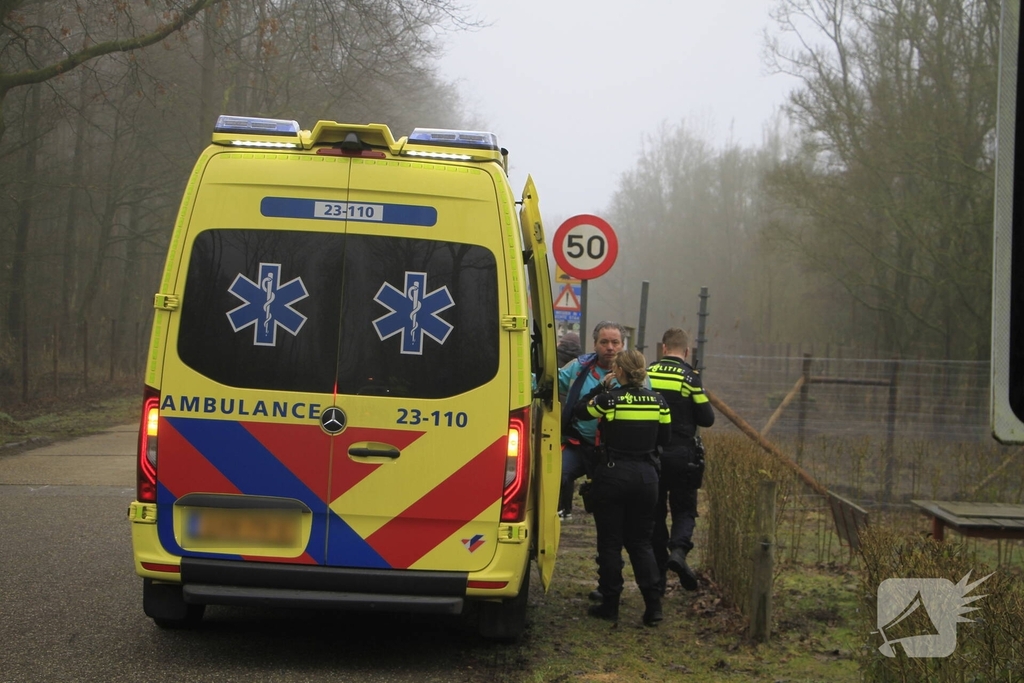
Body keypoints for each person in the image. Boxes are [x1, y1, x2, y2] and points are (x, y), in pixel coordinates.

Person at [573, 349, 672, 626]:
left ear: (619, 372)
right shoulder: (659, 402)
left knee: (610, 542)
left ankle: (610, 603)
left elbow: (580, 411)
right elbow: (664, 437)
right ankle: (653, 607)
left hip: (613, 476)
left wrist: (599, 386)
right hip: (647, 478)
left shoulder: (609, 400)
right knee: (641, 542)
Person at [648, 328, 715, 593]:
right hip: (682, 456)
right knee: (684, 509)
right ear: (686, 351)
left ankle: (659, 579)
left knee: (655, 514)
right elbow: (707, 419)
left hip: (653, 455)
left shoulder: (649, 373)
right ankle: (678, 550)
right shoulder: (690, 378)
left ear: (663, 348)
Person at [557, 321, 628, 520]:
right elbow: (550, 380)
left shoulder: (635, 373)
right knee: (558, 473)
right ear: (595, 344)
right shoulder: (579, 367)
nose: (610, 347)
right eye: (604, 342)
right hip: (580, 444)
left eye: (615, 342)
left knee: (610, 502)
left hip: (617, 451)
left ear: (622, 345)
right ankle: (559, 514)